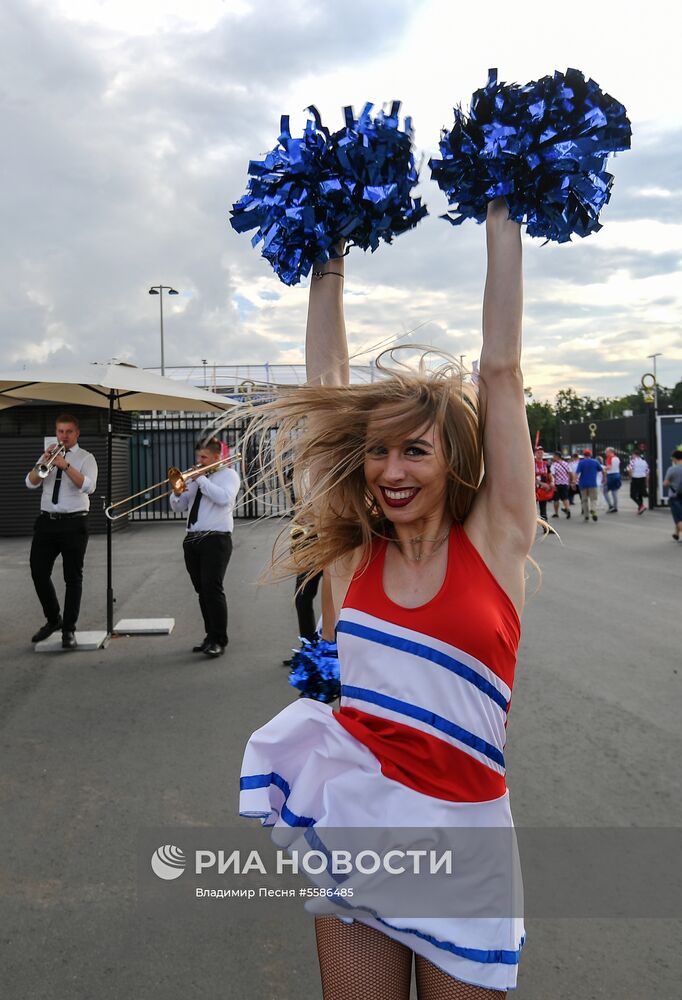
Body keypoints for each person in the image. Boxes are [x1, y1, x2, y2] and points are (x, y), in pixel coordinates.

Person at [240, 199, 535, 996]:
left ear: (454, 458)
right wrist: (325, 252)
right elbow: (325, 386)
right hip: (361, 826)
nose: (393, 471)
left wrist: (504, 209)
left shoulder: (498, 541)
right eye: (377, 452)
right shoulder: (349, 560)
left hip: (467, 840)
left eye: (415, 450)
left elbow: (500, 371)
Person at [25, 413, 98, 649]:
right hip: (47, 522)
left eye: (68, 432)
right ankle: (53, 618)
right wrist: (44, 462)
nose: (63, 436)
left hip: (74, 523)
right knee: (38, 571)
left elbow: (89, 486)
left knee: (72, 578)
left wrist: (65, 466)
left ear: (77, 433)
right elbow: (31, 482)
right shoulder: (49, 454)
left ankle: (69, 629)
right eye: (60, 431)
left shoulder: (86, 458)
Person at [169, 438, 240, 657]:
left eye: (204, 457)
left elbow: (224, 499)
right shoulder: (197, 477)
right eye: (198, 457)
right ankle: (210, 636)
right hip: (192, 539)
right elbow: (178, 507)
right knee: (202, 591)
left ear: (216, 457)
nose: (198, 461)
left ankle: (220, 639)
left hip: (216, 538)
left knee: (212, 588)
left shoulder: (229, 475)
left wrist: (200, 480)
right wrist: (177, 493)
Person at [575, 449, 601, 522]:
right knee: (593, 499)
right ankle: (593, 510)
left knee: (584, 500)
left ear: (584, 455)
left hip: (582, 484)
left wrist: (573, 482)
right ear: (590, 454)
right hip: (593, 483)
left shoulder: (581, 463)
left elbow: (577, 473)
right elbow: (601, 470)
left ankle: (586, 515)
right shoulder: (595, 462)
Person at [662, 449, 682, 541]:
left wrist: (669, 483)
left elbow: (665, 483)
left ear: (674, 458)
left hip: (675, 497)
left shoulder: (672, 469)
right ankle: (676, 533)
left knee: (678, 518)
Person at [534, 446, 554, 520]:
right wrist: (541, 483)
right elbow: (530, 477)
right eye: (538, 453)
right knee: (532, 509)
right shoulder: (531, 463)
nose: (540, 454)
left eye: (541, 453)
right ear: (535, 453)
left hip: (543, 490)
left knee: (543, 509)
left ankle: (546, 527)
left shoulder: (546, 464)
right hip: (534, 489)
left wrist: (552, 482)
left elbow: (550, 475)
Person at [550, 451, 571, 518]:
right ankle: (567, 509)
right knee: (565, 497)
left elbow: (552, 475)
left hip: (557, 483)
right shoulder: (566, 464)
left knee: (556, 499)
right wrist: (570, 481)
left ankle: (556, 513)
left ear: (557, 456)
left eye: (554, 456)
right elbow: (570, 473)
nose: (553, 457)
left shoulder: (554, 465)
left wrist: (552, 482)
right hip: (565, 483)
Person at [604, 447, 622, 513]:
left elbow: (609, 467)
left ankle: (610, 506)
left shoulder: (609, 457)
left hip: (611, 476)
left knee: (605, 491)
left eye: (606, 451)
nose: (605, 453)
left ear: (610, 452)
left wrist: (604, 468)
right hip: (617, 475)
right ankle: (615, 507)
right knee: (614, 492)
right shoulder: (617, 458)